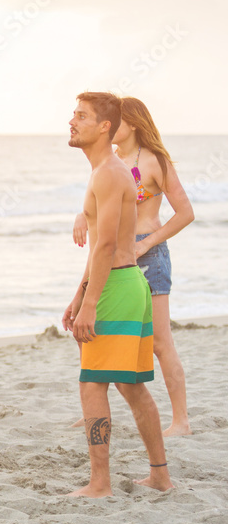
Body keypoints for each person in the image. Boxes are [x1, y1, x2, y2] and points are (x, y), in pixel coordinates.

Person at [62, 92, 173, 497]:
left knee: (92, 384)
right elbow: (100, 248)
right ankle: (159, 476)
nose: (71, 122)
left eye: (81, 116)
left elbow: (106, 245)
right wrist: (79, 294)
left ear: (104, 126)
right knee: (131, 387)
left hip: (117, 285)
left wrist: (89, 304)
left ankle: (100, 482)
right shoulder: (107, 170)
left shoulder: (108, 173)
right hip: (126, 283)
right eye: (73, 114)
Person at [73, 97, 194, 436]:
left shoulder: (154, 161)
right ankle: (93, 406)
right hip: (112, 260)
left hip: (149, 257)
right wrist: (81, 215)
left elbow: (185, 213)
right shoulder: (109, 162)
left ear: (134, 125)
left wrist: (147, 242)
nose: (109, 125)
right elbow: (100, 203)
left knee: (159, 341)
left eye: (118, 120)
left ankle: (181, 420)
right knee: (89, 331)